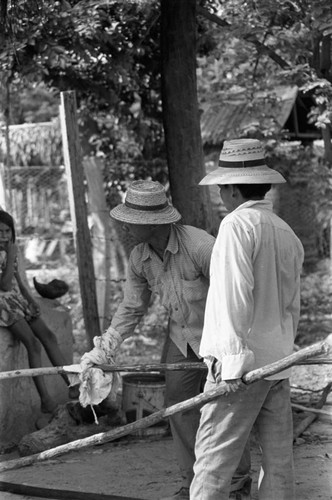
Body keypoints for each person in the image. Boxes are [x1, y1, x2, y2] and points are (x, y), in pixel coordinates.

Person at [78, 180, 250, 500]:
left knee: (226, 407)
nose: (125, 224)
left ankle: (237, 483)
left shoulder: (200, 246)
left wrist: (231, 349)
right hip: (182, 338)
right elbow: (132, 308)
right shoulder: (139, 258)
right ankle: (193, 483)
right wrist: (105, 347)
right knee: (179, 407)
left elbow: (234, 293)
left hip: (221, 337)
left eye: (132, 219)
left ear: (152, 222)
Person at [190, 138, 305, 500]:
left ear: (231, 189)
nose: (221, 195)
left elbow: (232, 296)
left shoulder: (237, 225)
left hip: (241, 366)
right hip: (278, 363)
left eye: (223, 187)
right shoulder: (286, 232)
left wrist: (231, 363)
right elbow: (291, 308)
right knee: (278, 465)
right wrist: (283, 352)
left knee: (213, 462)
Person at [0, 210, 77, 414]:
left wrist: (30, 300)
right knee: (33, 345)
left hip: (17, 300)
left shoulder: (9, 249)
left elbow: (17, 282)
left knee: (49, 337)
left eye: (7, 231)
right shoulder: (7, 252)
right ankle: (45, 400)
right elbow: (5, 285)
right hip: (3, 305)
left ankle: (73, 385)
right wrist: (10, 256)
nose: (4, 236)